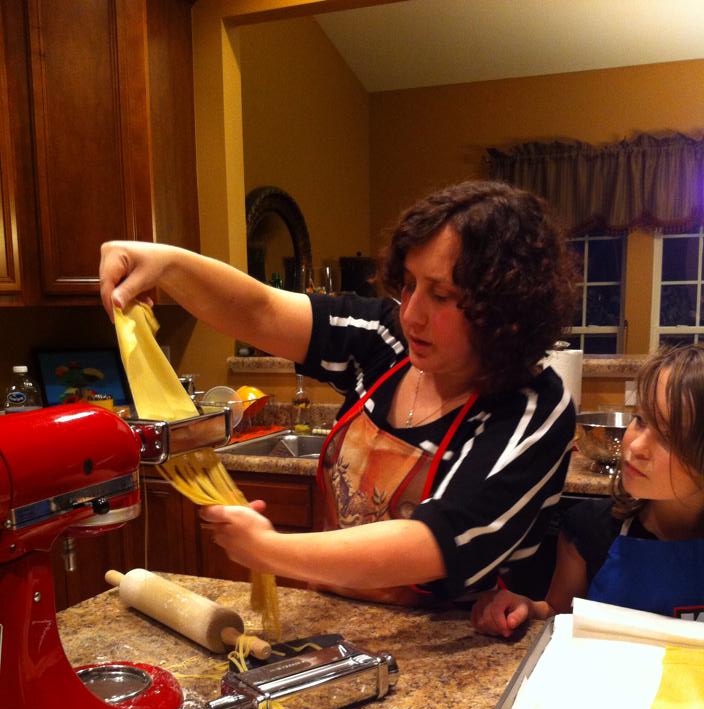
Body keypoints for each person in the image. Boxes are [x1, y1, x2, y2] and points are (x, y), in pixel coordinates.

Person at [99, 180, 578, 606]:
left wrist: (269, 550)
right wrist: (168, 264)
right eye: (409, 285)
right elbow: (262, 310)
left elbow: (435, 543)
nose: (411, 314)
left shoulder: (531, 405)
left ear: (504, 311)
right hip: (339, 616)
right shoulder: (386, 339)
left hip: (458, 648)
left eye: (441, 295)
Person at [471, 343, 704, 635]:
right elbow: (559, 613)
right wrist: (526, 608)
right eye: (640, 420)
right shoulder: (590, 529)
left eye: (668, 437)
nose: (636, 446)